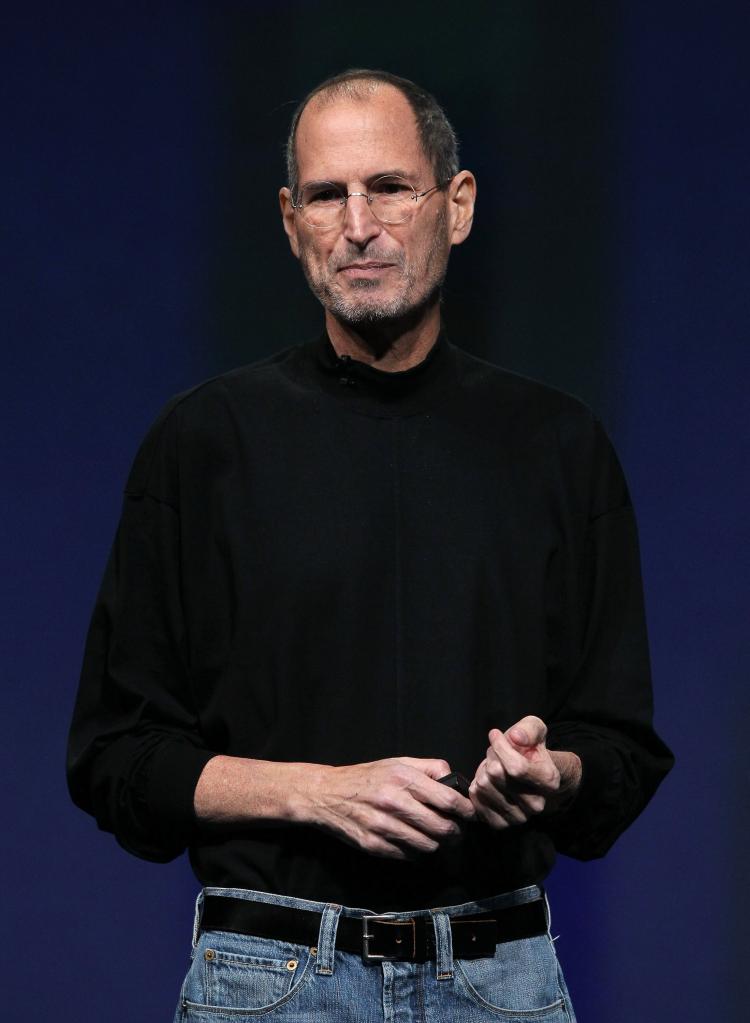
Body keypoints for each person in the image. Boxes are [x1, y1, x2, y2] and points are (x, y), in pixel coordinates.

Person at [67, 69, 673, 1022]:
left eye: (389, 187)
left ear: (457, 205)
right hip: (268, 978)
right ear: (289, 218)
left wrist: (549, 772)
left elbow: (621, 749)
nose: (358, 225)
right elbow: (116, 758)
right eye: (325, 194)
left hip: (498, 977)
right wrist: (318, 792)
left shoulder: (558, 446)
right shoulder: (204, 443)